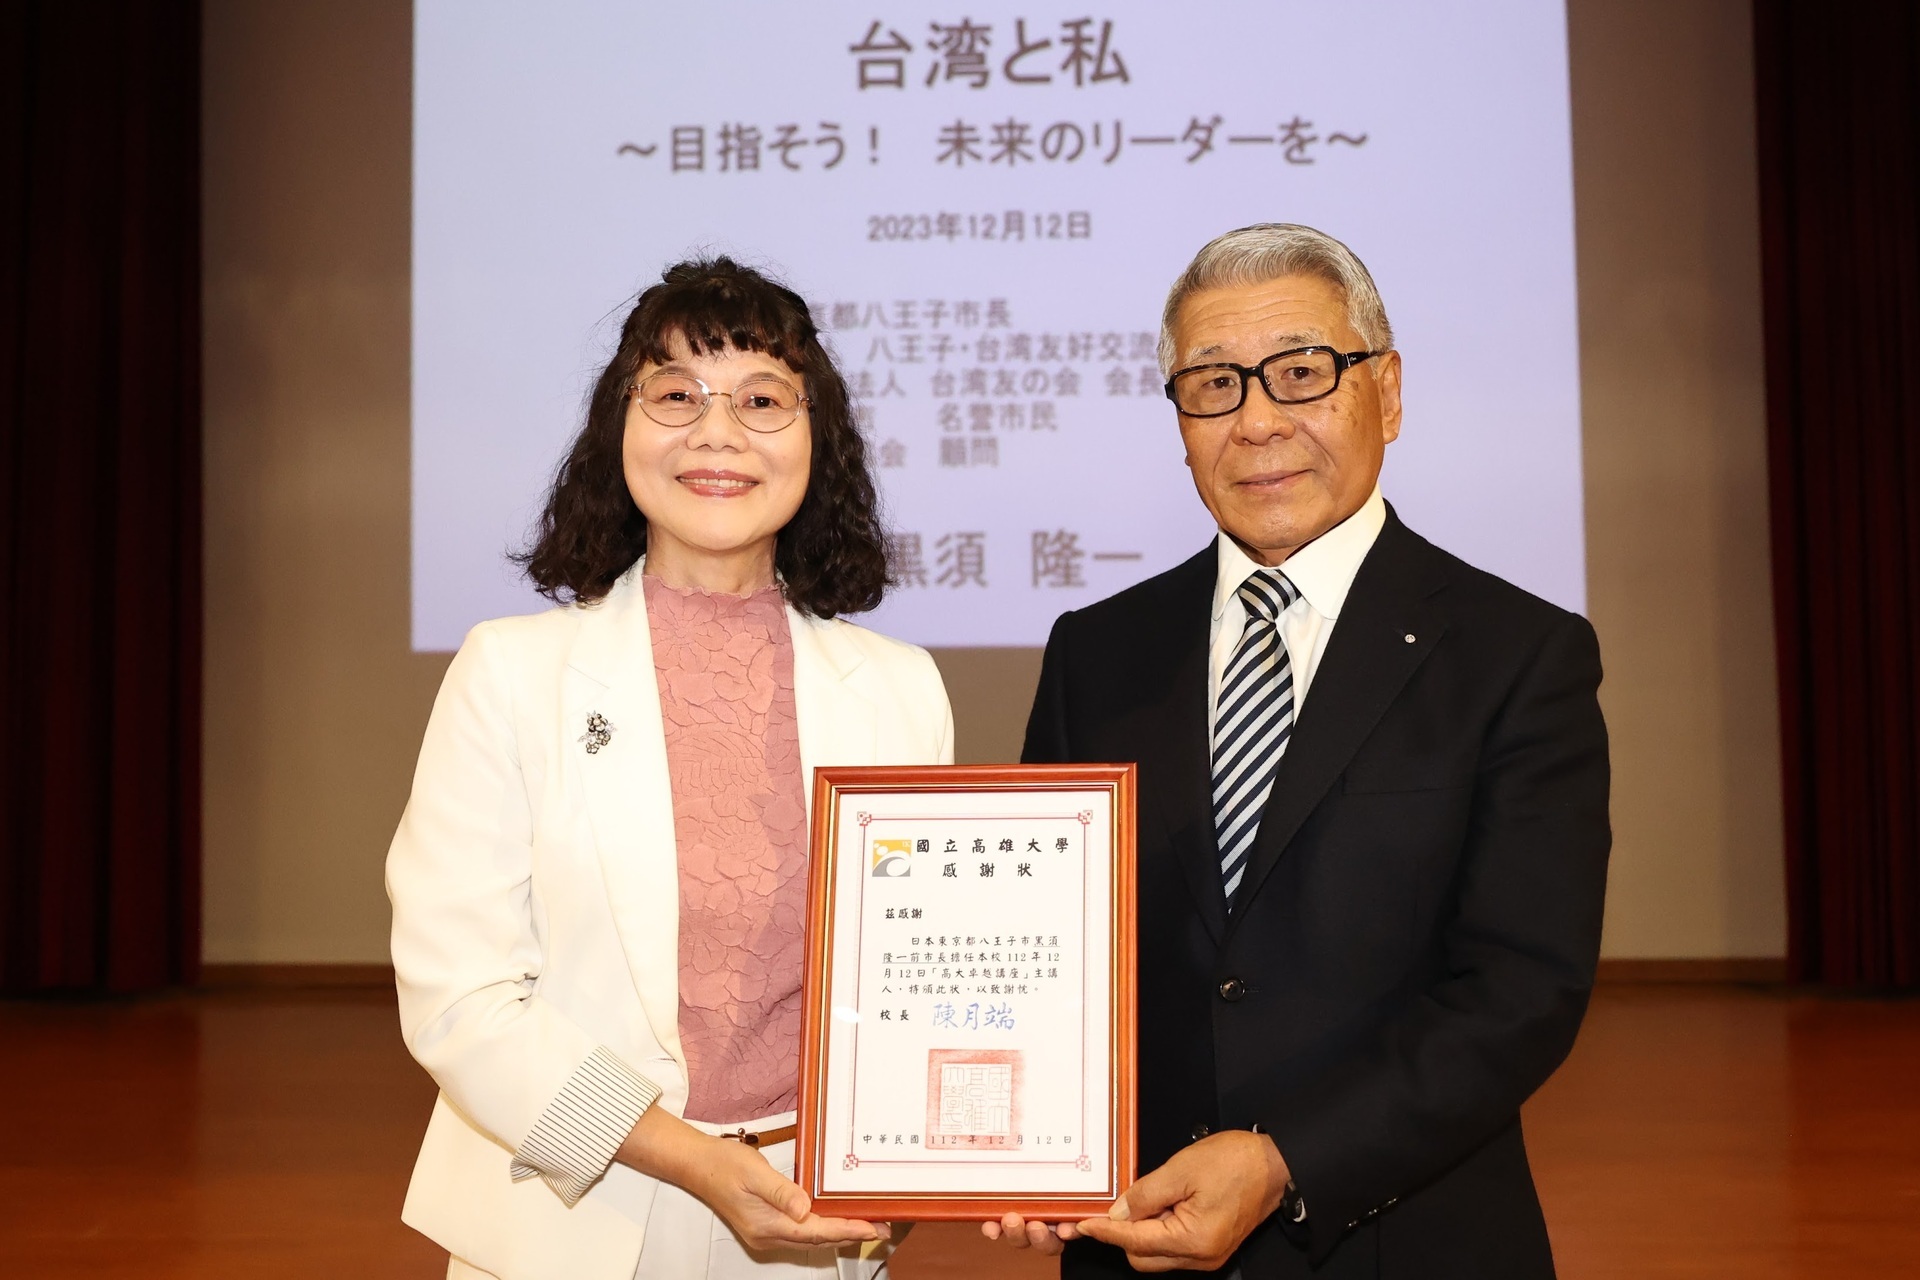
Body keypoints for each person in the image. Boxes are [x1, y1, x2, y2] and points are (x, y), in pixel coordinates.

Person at [984, 224, 1610, 1277]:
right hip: (1138, 1233)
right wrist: (1026, 1145)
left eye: (1302, 372)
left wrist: (1287, 1160)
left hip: (1404, 1236)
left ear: (1389, 391)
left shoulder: (1519, 653)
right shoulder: (1098, 650)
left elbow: (1519, 988)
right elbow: (1046, 950)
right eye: (1214, 383)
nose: (1258, 420)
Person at [387, 257, 953, 1280]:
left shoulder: (901, 689)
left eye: (764, 399)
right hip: (578, 1211)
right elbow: (460, 997)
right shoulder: (510, 672)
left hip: (812, 1220)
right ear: (621, 429)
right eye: (676, 394)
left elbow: (914, 984)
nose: (718, 432)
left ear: (818, 441)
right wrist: (696, 1160)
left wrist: (906, 1166)